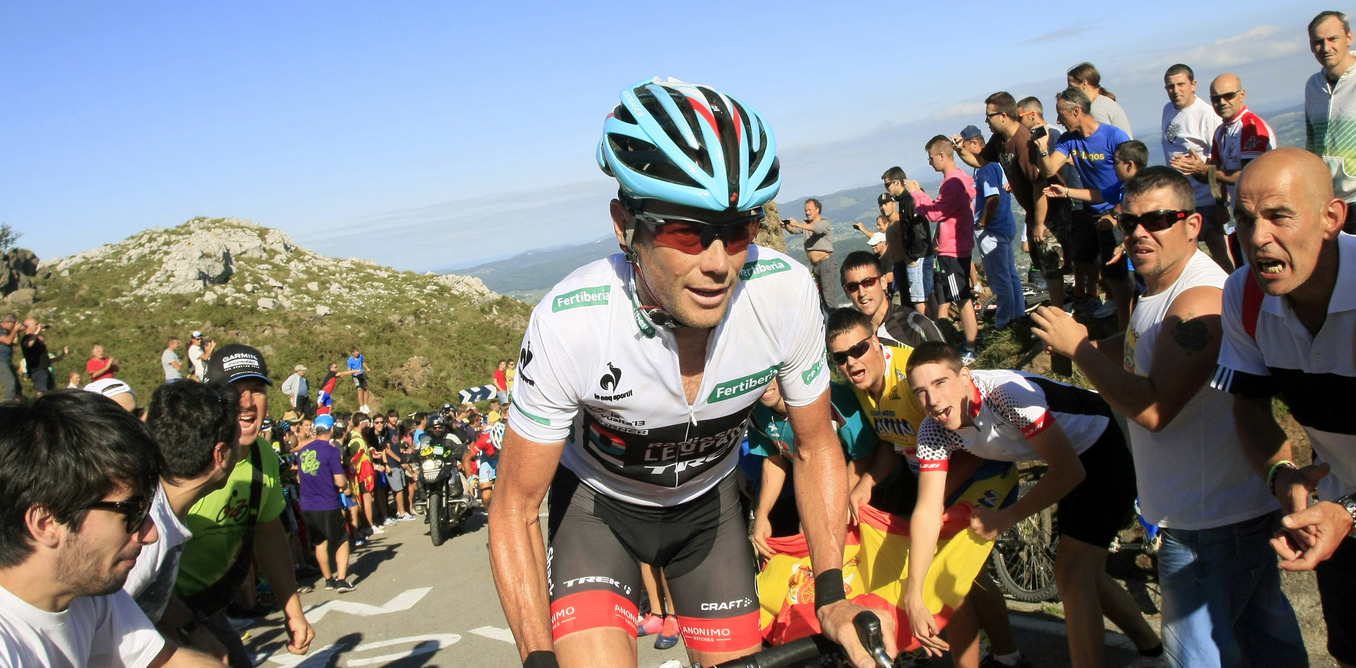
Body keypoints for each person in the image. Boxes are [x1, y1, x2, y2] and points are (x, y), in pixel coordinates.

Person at [490, 77, 893, 668]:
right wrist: (537, 657)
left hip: (710, 514)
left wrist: (831, 596)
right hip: (600, 513)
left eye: (738, 233)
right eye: (686, 233)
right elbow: (515, 507)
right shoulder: (570, 321)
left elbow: (814, 446)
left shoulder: (783, 293)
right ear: (626, 224)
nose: (717, 265)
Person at [1032, 167, 1307, 667]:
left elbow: (1156, 409)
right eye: (1129, 221)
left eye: (1158, 219)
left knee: (1196, 659)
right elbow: (1144, 347)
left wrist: (1079, 350)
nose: (1139, 232)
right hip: (1216, 511)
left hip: (1208, 522)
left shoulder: (1199, 300)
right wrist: (1092, 348)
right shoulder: (1160, 289)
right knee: (1264, 645)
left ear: (1192, 225)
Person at [903, 342, 1165, 668]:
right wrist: (913, 594)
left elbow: (1070, 471)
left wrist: (1005, 517)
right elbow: (927, 510)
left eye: (940, 383)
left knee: (1071, 571)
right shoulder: (933, 429)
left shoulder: (1006, 395)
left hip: (1108, 445)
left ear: (965, 376)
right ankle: (1153, 651)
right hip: (1069, 459)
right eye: (920, 392)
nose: (933, 400)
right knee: (1087, 573)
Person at [1211, 147, 1356, 665]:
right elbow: (1249, 407)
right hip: (1340, 509)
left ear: (1331, 219)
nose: (1257, 238)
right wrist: (1282, 476)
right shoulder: (1246, 295)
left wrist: (1350, 511)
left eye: (1278, 216)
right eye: (1245, 220)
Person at [0, 390, 219, 667]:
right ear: (47, 522)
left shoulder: (84, 589)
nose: (151, 534)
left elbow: (164, 661)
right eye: (132, 511)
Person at [170, 343, 315, 667]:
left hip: (208, 608)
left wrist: (293, 612)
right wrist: (188, 628)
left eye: (256, 390)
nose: (247, 403)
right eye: (236, 392)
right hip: (153, 610)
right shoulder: (184, 454)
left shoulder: (262, 457)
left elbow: (269, 534)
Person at [954, 92, 1067, 367]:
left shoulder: (1023, 141)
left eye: (989, 116)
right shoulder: (1001, 140)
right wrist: (960, 151)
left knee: (1052, 269)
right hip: (1034, 213)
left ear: (1003, 115)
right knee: (1039, 268)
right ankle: (1032, 324)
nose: (987, 122)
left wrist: (1039, 222)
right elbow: (980, 160)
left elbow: (1041, 184)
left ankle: (1062, 327)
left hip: (1051, 212)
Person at [125, 380, 242, 628]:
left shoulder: (161, 508)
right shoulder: (147, 535)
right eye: (237, 442)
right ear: (220, 455)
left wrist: (193, 628)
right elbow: (99, 627)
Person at [1036, 86, 1134, 328]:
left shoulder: (1114, 136)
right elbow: (1049, 170)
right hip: (1088, 207)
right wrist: (1041, 148)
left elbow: (1133, 180)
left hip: (1115, 211)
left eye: (1062, 113)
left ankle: (1126, 321)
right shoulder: (1069, 140)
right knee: (1082, 260)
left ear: (1077, 110)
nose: (1058, 119)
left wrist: (1117, 213)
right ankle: (1112, 299)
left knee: (1119, 270)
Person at [904, 136, 979, 361]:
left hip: (951, 250)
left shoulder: (952, 182)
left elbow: (937, 213)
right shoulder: (963, 179)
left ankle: (971, 347)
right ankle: (972, 341)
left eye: (930, 158)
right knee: (963, 296)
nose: (930, 163)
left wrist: (917, 194)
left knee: (962, 299)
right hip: (962, 245)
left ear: (941, 155)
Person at [1160, 63, 1230, 272]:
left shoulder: (1207, 115)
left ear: (1193, 85)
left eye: (1181, 84)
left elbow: (1220, 160)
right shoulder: (1168, 110)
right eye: (1170, 86)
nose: (1175, 90)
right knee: (1186, 253)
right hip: (1181, 198)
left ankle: (1232, 290)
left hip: (1207, 197)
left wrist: (1221, 203)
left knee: (1218, 249)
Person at [959, 125, 1024, 330]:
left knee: (999, 279)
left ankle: (1004, 321)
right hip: (1004, 226)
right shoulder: (995, 164)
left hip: (993, 230)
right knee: (1010, 275)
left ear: (976, 144)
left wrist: (983, 222)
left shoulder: (985, 167)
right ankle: (1018, 315)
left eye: (967, 146)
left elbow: (993, 196)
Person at [1306, 10, 1356, 232]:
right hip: (1330, 201)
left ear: (1349, 38)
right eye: (1318, 42)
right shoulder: (1313, 86)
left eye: (1332, 39)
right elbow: (1312, 141)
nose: (1325, 48)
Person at [294, 415, 355, 592]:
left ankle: (328, 579)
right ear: (330, 430)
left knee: (319, 543)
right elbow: (340, 481)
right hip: (327, 502)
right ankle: (342, 580)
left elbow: (299, 478)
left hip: (307, 504)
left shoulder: (304, 451)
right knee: (342, 540)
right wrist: (346, 486)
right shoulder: (331, 451)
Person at [840, 251, 944, 350]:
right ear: (846, 292)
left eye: (868, 283)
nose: (862, 293)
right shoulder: (852, 335)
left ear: (883, 282)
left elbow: (947, 365)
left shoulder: (915, 325)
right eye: (852, 287)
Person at [882, 169, 935, 314]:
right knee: (928, 295)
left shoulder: (909, 201)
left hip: (918, 257)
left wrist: (912, 257)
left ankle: (928, 332)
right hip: (921, 255)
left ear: (897, 182)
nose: (887, 188)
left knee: (919, 299)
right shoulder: (906, 201)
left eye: (888, 185)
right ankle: (938, 329)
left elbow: (917, 230)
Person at [784, 198, 850, 310]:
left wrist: (798, 224)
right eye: (806, 210)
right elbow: (794, 231)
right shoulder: (806, 224)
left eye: (809, 210)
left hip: (826, 263)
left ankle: (837, 323)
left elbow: (816, 228)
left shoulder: (824, 223)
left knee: (829, 298)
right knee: (820, 299)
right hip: (816, 266)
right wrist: (786, 226)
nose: (807, 212)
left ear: (817, 209)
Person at [1067, 62, 1134, 138]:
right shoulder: (1103, 102)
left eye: (1071, 86)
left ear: (1084, 84)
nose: (1069, 90)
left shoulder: (1097, 109)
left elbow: (1102, 142)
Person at [20, 317, 66, 395]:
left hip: (45, 369)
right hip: (37, 370)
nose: (38, 325)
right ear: (28, 326)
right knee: (41, 392)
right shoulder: (26, 338)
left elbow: (46, 358)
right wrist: (37, 331)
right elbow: (29, 344)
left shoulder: (37, 339)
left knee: (53, 392)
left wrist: (62, 355)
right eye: (36, 324)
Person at [347, 347, 372, 414]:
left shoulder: (360, 356)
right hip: (355, 377)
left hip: (361, 375)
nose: (357, 353)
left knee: (366, 389)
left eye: (358, 351)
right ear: (352, 353)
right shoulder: (350, 360)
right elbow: (349, 371)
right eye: (356, 352)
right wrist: (354, 372)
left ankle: (366, 405)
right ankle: (361, 406)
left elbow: (362, 362)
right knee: (359, 390)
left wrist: (367, 368)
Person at [0, 314, 18, 401]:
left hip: (8, 360)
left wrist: (16, 331)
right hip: (1, 360)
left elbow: (15, 342)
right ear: (7, 322)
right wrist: (15, 330)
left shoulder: (6, 331)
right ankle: (7, 405)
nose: (14, 326)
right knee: (10, 383)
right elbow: (7, 341)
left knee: (16, 384)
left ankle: (17, 402)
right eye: (13, 323)